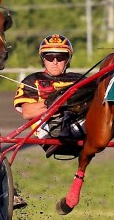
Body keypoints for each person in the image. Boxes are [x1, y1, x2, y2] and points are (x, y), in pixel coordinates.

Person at [12, 33, 86, 208]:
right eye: (49, 56)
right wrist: (52, 103)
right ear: (42, 59)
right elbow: (27, 112)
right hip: (46, 128)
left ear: (68, 59)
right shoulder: (32, 80)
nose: (54, 61)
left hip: (79, 126)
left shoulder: (79, 80)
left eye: (60, 57)